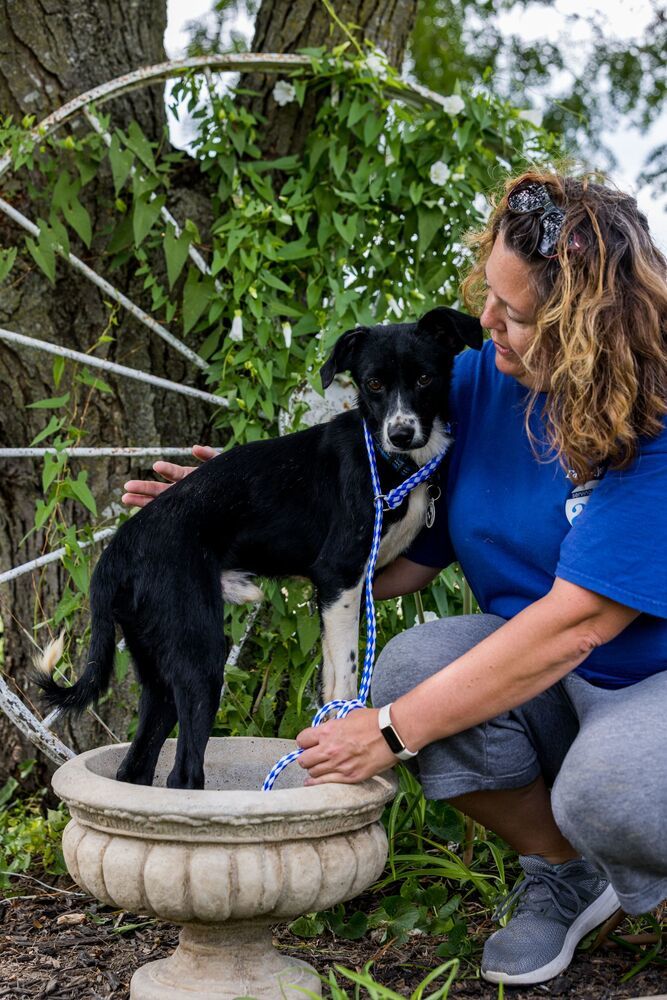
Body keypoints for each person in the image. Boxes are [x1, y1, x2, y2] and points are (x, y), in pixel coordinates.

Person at [121, 170, 667, 986]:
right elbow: (398, 557)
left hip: (647, 681)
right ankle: (564, 870)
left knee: (612, 791)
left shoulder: (654, 416)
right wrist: (235, 511)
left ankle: (624, 843)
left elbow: (578, 623)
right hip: (551, 677)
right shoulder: (479, 380)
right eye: (489, 295)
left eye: (515, 314)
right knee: (412, 668)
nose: (488, 323)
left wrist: (387, 731)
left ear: (583, 327)